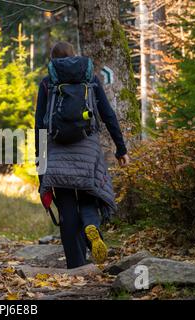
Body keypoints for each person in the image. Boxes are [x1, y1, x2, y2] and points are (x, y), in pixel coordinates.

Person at [35, 41, 130, 269]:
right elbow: (108, 114)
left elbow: (39, 124)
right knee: (89, 195)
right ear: (74, 56)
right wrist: (121, 148)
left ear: (52, 60)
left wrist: (40, 158)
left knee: (66, 207)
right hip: (87, 149)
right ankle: (92, 227)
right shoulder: (91, 79)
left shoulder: (48, 83)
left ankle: (76, 265)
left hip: (57, 151)